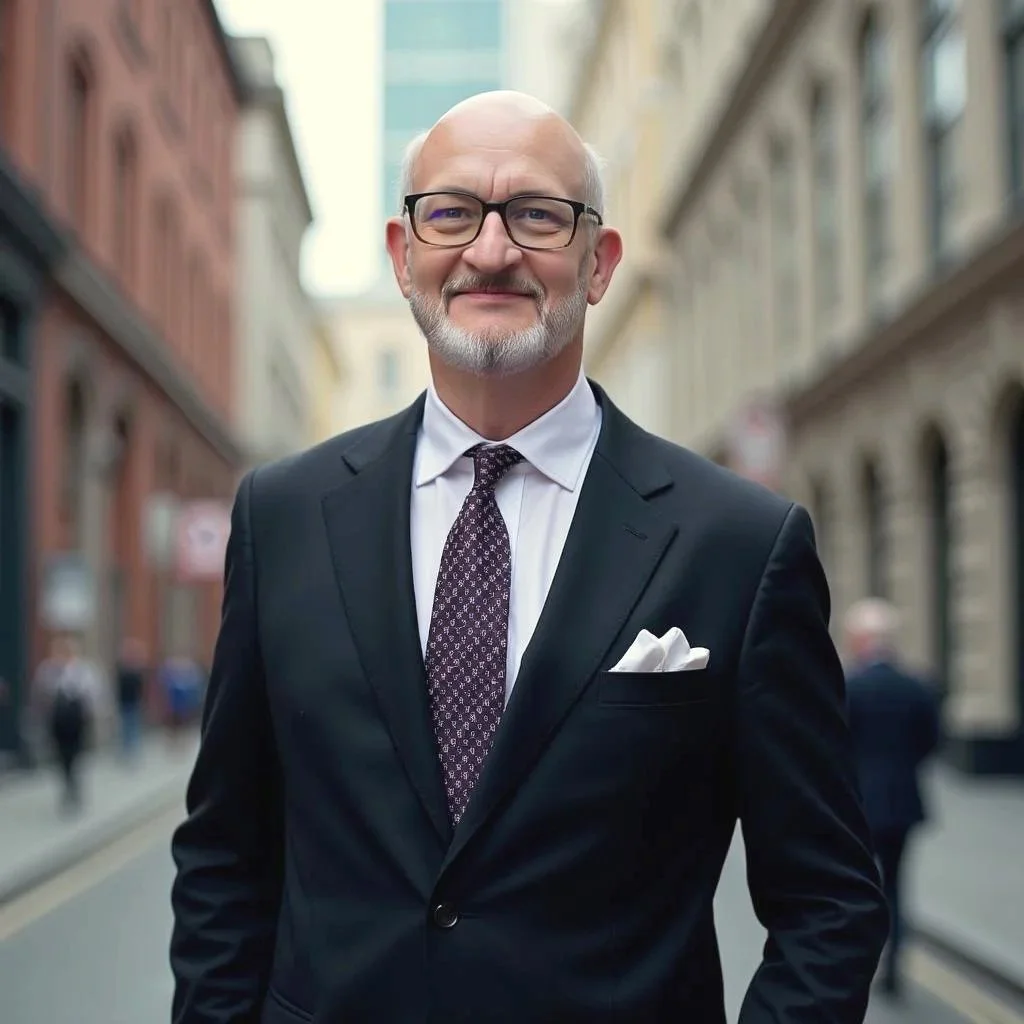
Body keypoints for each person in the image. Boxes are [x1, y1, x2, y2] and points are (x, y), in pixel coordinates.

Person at [170, 91, 887, 1023]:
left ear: (600, 263)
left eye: (538, 215)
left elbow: (829, 902)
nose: (492, 250)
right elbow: (225, 858)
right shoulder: (283, 518)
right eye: (451, 212)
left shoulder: (740, 544)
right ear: (403, 254)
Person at [843, 598, 941, 999]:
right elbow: (930, 742)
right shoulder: (916, 686)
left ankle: (858, 964)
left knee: (855, 887)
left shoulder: (850, 687)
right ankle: (894, 967)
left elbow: (836, 745)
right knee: (896, 887)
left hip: (859, 805)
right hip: (902, 803)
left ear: (862, 639)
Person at [32, 633, 103, 812]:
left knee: (76, 754)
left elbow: (93, 694)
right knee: (61, 755)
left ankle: (74, 786)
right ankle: (68, 784)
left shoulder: (83, 670)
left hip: (77, 722)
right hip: (57, 721)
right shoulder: (48, 670)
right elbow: (40, 693)